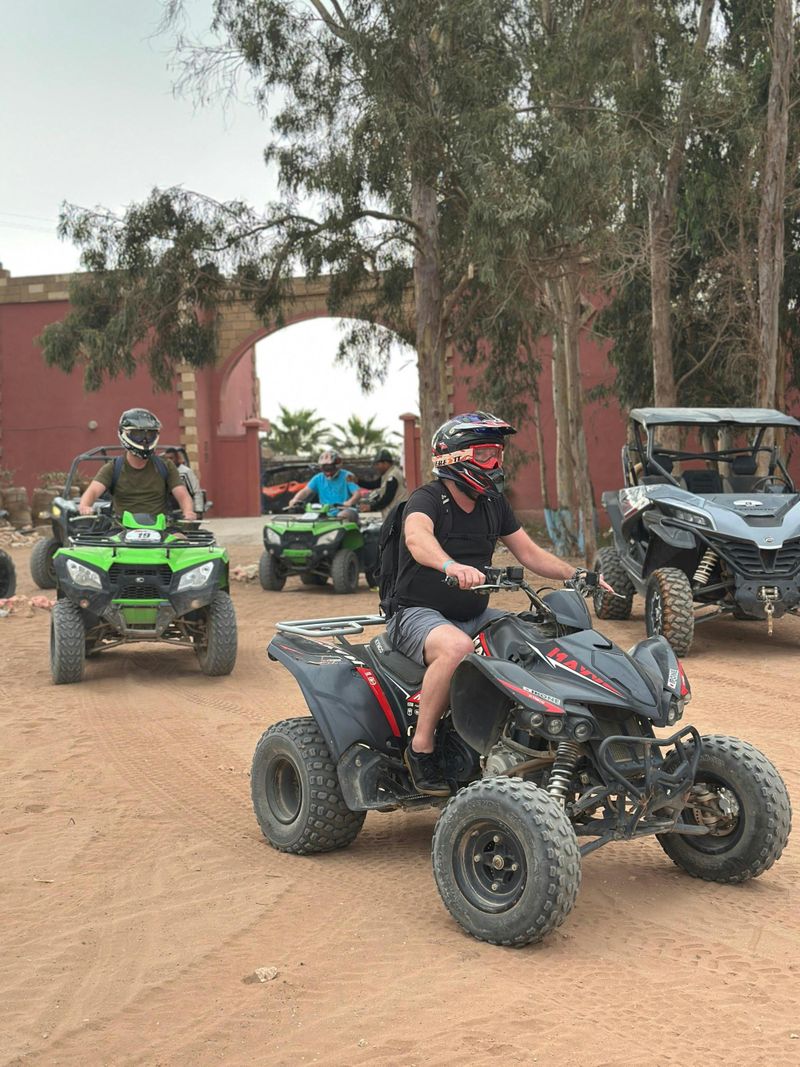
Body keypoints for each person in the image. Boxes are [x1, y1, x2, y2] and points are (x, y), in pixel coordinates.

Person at [386, 411, 613, 796]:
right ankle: (421, 749)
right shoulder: (428, 499)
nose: (497, 464)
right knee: (456, 648)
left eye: (499, 455)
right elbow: (416, 539)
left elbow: (529, 552)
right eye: (487, 454)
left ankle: (526, 738)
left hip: (473, 613)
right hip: (416, 614)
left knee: (537, 638)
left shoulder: (493, 503)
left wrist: (574, 574)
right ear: (455, 458)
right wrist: (450, 565)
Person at [79, 409, 196, 521]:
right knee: (102, 542)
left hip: (161, 528)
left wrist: (188, 511)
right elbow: (93, 491)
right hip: (121, 529)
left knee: (180, 539)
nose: (144, 440)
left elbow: (182, 494)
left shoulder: (166, 465)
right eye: (137, 434)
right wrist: (85, 506)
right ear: (124, 433)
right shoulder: (113, 467)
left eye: (150, 434)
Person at [287, 449, 362, 521]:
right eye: (324, 467)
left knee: (342, 516)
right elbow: (306, 491)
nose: (327, 470)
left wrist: (350, 502)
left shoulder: (348, 476)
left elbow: (357, 494)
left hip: (345, 510)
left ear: (337, 465)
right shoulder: (318, 478)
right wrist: (295, 499)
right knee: (307, 519)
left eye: (329, 467)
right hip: (324, 512)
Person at [358, 447, 409, 518]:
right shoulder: (387, 474)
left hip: (397, 515)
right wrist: (357, 481)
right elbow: (374, 484)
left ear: (386, 463)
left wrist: (371, 507)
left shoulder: (392, 476)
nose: (376, 467)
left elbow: (387, 498)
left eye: (377, 464)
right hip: (394, 514)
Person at [162, 448, 205, 515]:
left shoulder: (186, 472)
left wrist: (198, 511)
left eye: (171, 458)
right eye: (167, 458)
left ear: (177, 458)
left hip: (184, 510)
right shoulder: (163, 472)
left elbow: (196, 492)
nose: (169, 461)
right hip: (169, 511)